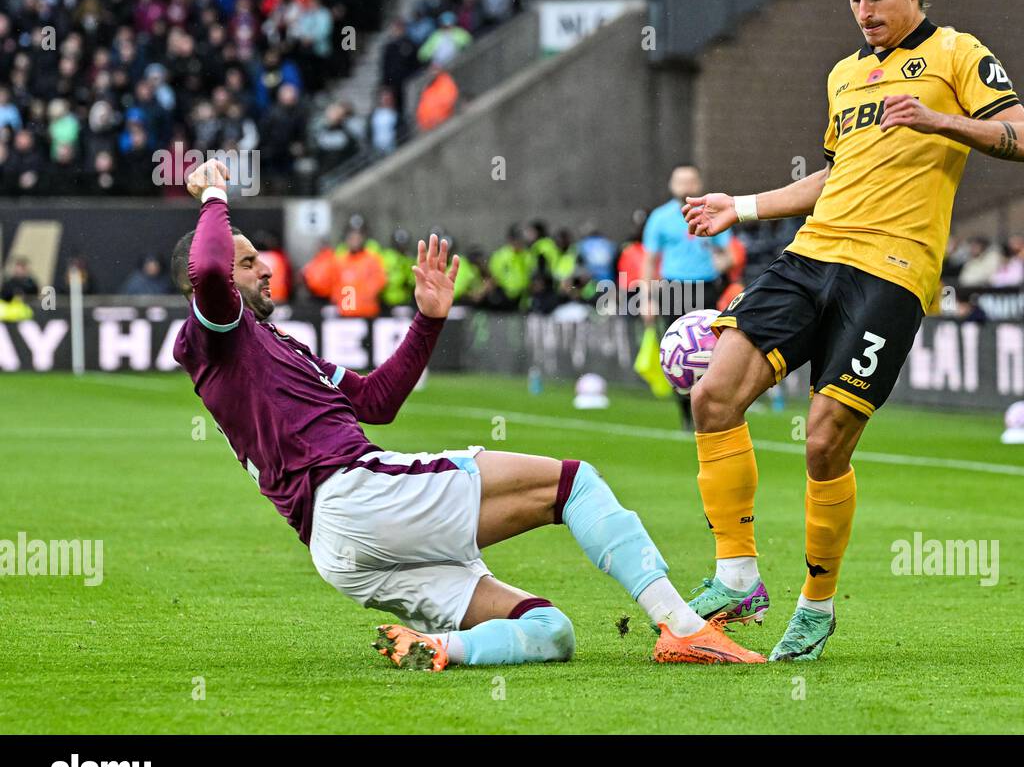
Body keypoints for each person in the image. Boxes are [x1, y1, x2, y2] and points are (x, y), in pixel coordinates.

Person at [172, 159, 762, 669]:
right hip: (359, 496)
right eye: (248, 262)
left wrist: (428, 320)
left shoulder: (277, 346)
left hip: (341, 550)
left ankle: (438, 647)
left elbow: (378, 402)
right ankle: (683, 628)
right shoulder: (217, 335)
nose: (265, 267)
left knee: (549, 631)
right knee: (575, 483)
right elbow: (206, 267)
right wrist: (214, 194)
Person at [679, 0, 1024, 660]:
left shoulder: (959, 55)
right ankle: (738, 575)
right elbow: (835, 177)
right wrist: (742, 207)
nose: (866, 12)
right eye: (853, 0)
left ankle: (816, 605)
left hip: (891, 271)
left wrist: (940, 119)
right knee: (712, 396)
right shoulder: (845, 75)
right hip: (812, 254)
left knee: (822, 443)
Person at [643, 163, 733, 429]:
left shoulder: (711, 214)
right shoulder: (659, 218)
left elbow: (727, 254)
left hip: (705, 288)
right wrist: (647, 297)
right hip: (674, 289)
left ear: (699, 184)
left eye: (690, 180)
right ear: (672, 184)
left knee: (711, 351)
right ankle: (686, 414)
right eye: (680, 181)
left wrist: (722, 263)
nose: (686, 186)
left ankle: (711, 409)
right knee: (676, 353)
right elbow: (649, 260)